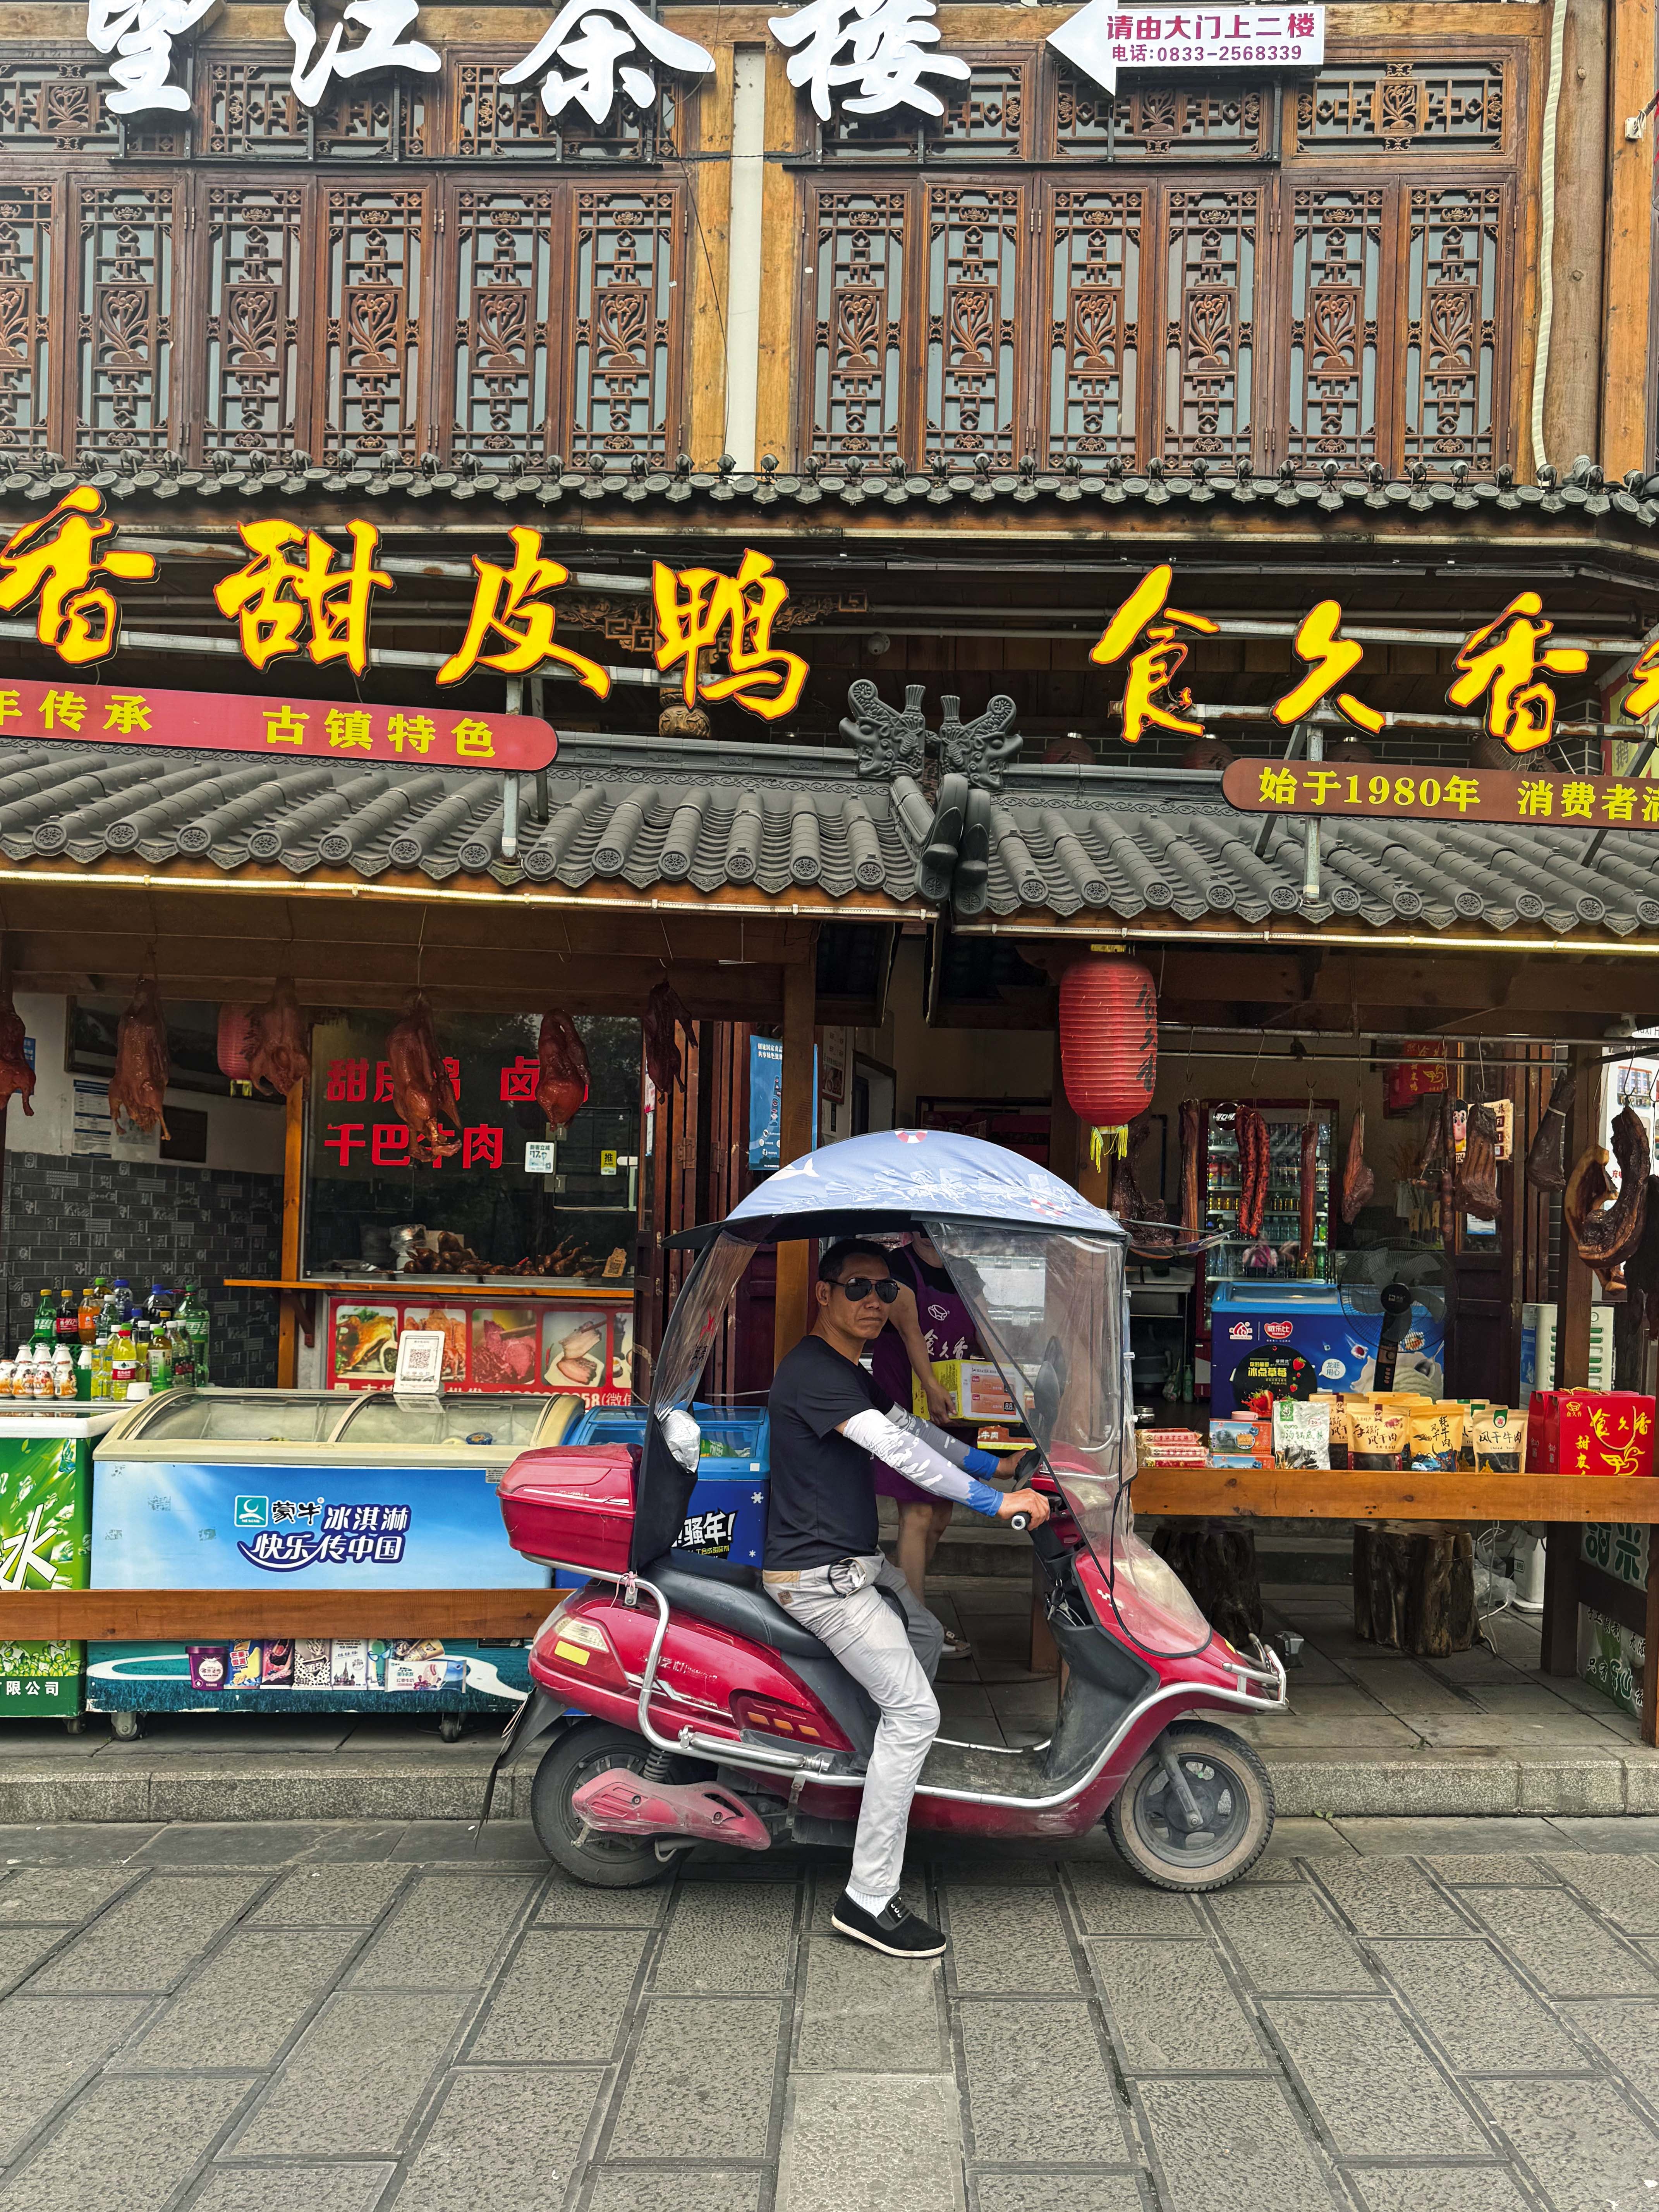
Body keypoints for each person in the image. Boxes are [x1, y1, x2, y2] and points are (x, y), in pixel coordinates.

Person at [764, 1238, 1049, 1960]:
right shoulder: (810, 1372)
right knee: (915, 1710)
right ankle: (866, 1898)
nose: (872, 1301)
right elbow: (896, 1453)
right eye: (856, 1287)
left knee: (922, 1638)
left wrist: (997, 1460)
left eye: (885, 1291)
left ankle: (878, 1776)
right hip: (820, 1578)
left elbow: (913, 1427)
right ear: (822, 1294)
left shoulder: (847, 1371)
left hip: (855, 1564)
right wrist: (996, 1501)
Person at [868, 1232, 988, 1658]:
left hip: (956, 1403)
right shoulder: (897, 1268)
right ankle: (915, 1629)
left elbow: (984, 1331)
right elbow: (910, 1330)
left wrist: (1009, 1381)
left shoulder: (966, 1271)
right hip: (909, 1400)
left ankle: (906, 1611)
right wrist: (931, 1386)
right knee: (917, 1512)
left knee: (940, 1514)